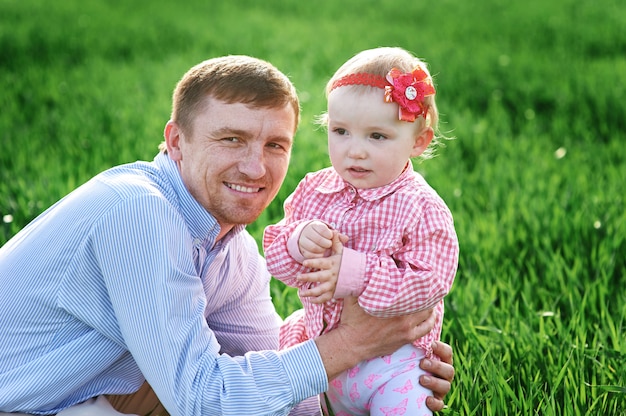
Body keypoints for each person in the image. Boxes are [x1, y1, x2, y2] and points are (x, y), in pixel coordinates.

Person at [0, 55, 454, 416]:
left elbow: (271, 374)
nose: (256, 168)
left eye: (275, 145)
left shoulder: (230, 247)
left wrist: (383, 374)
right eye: (232, 139)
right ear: (176, 141)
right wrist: (352, 344)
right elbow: (201, 401)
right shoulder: (137, 212)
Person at [263, 47, 459, 416]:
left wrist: (354, 273)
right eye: (340, 132)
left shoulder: (420, 206)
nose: (354, 151)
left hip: (393, 365)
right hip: (321, 356)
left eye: (377, 136)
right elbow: (274, 254)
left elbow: (430, 282)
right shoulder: (315, 190)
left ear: (418, 141)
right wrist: (298, 240)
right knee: (271, 394)